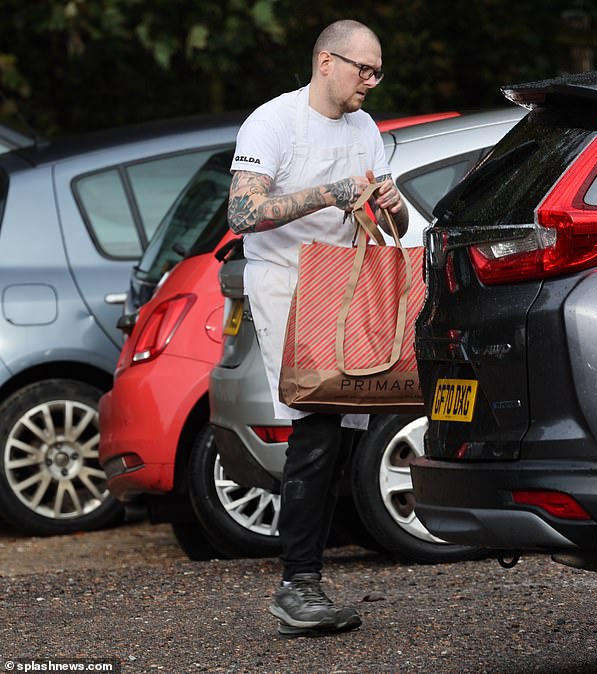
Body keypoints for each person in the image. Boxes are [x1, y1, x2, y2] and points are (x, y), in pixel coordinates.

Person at [227, 19, 409, 638]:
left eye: (378, 71)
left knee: (354, 420)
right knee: (319, 421)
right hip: (286, 280)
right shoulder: (272, 122)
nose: (372, 82)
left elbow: (396, 210)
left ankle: (314, 572)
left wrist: (391, 203)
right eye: (364, 69)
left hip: (347, 280)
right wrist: (328, 194)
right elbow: (243, 212)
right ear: (326, 62)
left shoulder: (364, 126)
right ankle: (297, 584)